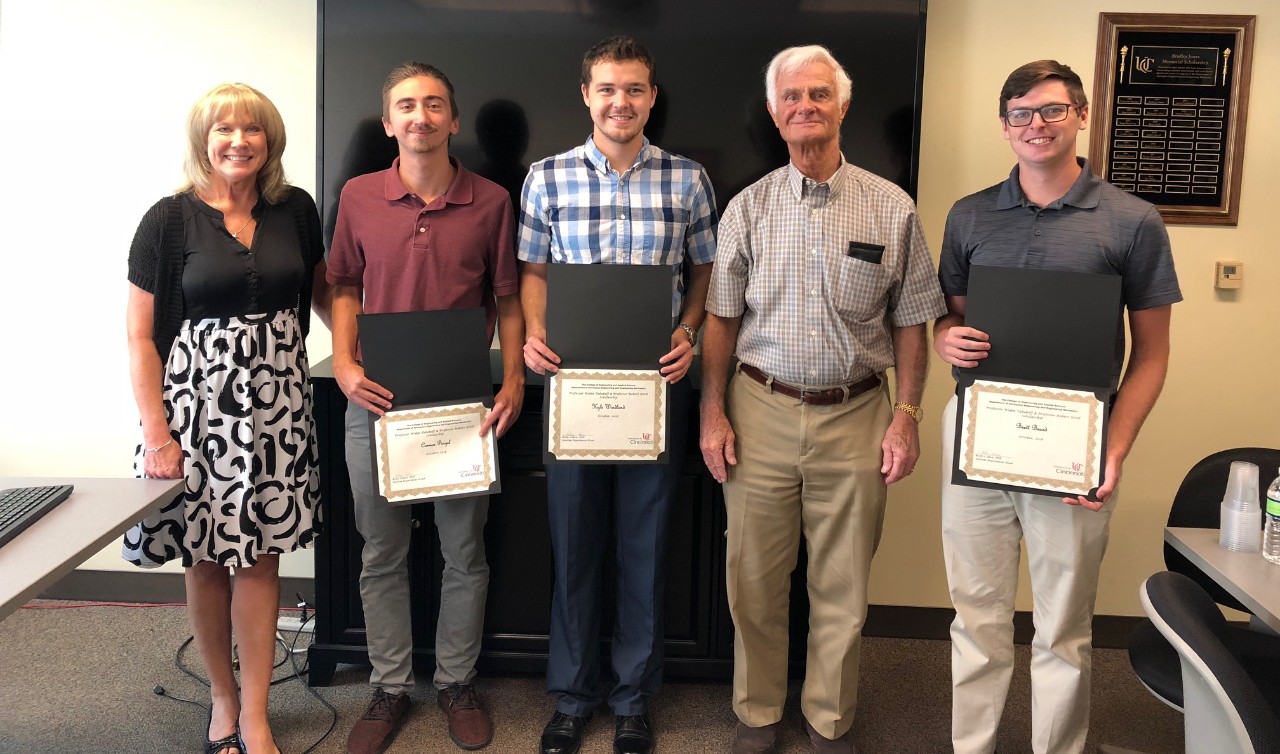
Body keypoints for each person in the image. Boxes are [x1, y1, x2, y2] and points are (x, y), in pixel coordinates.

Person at [699, 45, 945, 754]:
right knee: (752, 581)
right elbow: (721, 320)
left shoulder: (891, 207)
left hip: (859, 413)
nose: (805, 106)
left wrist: (907, 416)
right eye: (792, 97)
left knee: (842, 584)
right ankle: (757, 713)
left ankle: (830, 720)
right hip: (759, 411)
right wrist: (712, 412)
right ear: (774, 114)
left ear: (843, 105)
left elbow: (912, 321)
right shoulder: (747, 208)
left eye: (818, 94)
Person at [933, 60, 1181, 754]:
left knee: (1064, 625)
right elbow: (952, 320)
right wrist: (947, 337)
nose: (1035, 125)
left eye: (1051, 110)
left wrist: (1114, 448)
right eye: (1021, 113)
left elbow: (1152, 355)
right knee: (976, 615)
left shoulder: (1132, 220)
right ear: (1004, 125)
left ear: (1081, 115)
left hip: (1077, 441)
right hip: (979, 430)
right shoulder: (969, 214)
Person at [518, 35, 717, 754]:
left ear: (652, 98)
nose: (620, 102)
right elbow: (533, 269)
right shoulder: (546, 177)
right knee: (573, 547)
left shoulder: (688, 180)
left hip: (655, 388)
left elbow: (705, 269)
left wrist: (689, 331)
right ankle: (573, 699)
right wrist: (534, 334)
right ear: (586, 95)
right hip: (573, 388)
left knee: (645, 547)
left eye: (634, 89)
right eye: (607, 88)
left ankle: (633, 699)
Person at [123, 83, 331, 754]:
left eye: (253, 129)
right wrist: (157, 434)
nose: (239, 140)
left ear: (270, 140)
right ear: (203, 140)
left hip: (278, 411)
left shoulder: (295, 209)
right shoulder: (167, 220)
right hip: (196, 413)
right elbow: (140, 336)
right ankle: (222, 698)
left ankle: (258, 713)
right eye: (224, 129)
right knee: (206, 559)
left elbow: (325, 294)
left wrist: (365, 353)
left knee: (262, 560)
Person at [327, 61, 524, 754]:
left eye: (434, 104)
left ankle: (457, 682)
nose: (421, 116)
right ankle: (389, 686)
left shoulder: (492, 201)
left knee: (464, 552)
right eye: (407, 105)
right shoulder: (357, 196)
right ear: (389, 123)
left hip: (462, 406)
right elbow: (343, 287)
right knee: (382, 550)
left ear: (453, 120)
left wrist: (512, 381)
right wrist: (344, 364)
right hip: (375, 402)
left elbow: (508, 299)